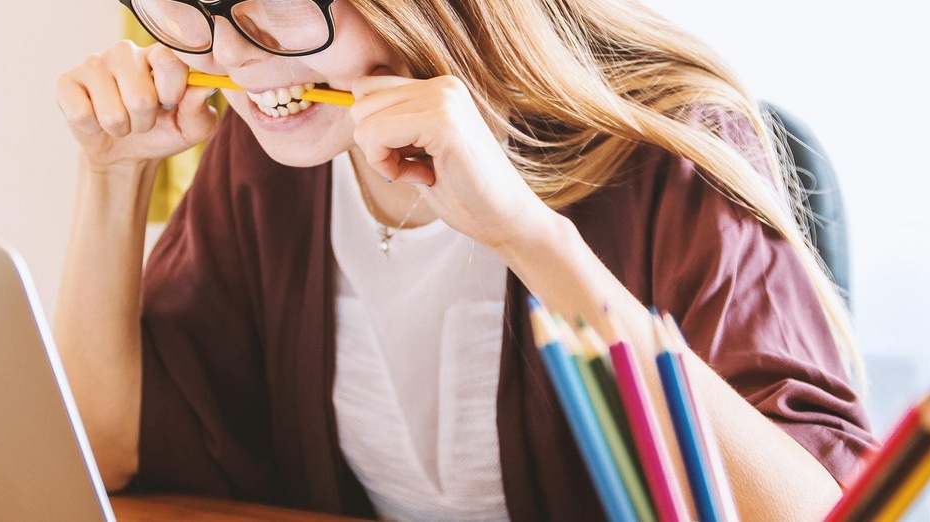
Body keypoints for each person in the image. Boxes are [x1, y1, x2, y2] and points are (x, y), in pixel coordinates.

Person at [53, 0, 875, 520]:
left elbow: (810, 513)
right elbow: (107, 453)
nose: (230, 54)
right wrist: (114, 174)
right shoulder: (269, 157)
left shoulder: (667, 152)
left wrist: (529, 236)